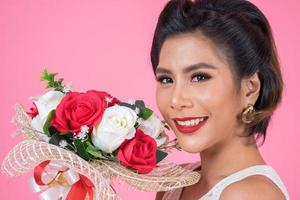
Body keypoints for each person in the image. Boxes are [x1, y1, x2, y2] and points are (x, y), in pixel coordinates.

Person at [151, 0, 290, 199]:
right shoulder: (173, 186)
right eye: (166, 79)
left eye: (199, 77)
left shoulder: (249, 194)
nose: (176, 99)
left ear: (250, 89)